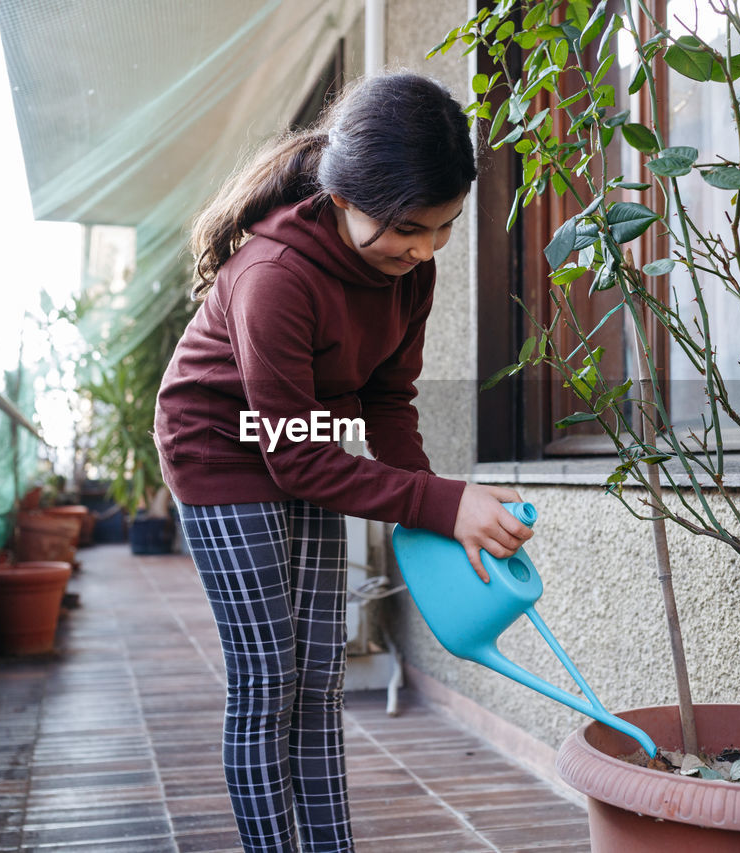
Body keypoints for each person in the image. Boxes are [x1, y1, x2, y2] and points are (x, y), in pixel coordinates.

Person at [153, 72, 532, 853]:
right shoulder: (275, 277)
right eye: (409, 227)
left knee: (321, 673)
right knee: (269, 679)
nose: (426, 248)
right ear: (345, 197)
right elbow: (292, 460)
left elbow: (389, 401)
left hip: (306, 442)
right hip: (219, 449)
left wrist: (433, 509)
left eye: (444, 227)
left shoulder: (410, 272)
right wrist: (441, 502)